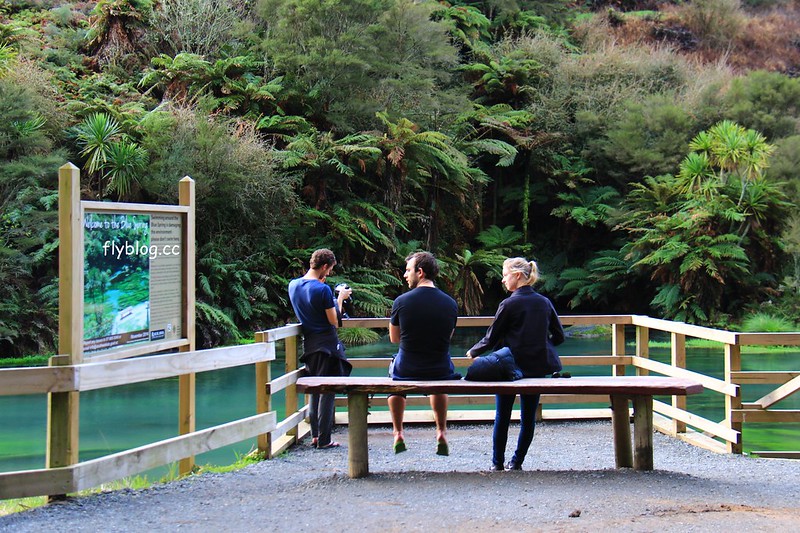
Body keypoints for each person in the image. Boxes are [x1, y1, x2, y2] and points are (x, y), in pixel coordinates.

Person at [466, 257, 565, 471]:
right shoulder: (544, 302)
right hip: (537, 369)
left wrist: (473, 351)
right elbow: (559, 336)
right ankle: (517, 462)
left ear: (517, 276)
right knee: (528, 418)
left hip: (509, 368)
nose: (503, 280)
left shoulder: (509, 303)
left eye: (505, 275)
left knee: (503, 416)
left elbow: (491, 338)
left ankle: (497, 464)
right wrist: (542, 344)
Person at [388, 251, 461, 456]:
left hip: (407, 368)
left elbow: (394, 339)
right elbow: (448, 336)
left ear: (420, 272)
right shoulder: (450, 303)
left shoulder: (401, 302)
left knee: (394, 382)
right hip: (440, 369)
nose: (405, 275)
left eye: (408, 270)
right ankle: (441, 432)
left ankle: (398, 432)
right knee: (439, 386)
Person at [288, 248, 353, 450]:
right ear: (325, 266)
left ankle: (316, 435)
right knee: (328, 390)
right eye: (330, 269)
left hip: (310, 343)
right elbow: (334, 320)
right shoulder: (323, 289)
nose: (330, 273)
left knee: (315, 389)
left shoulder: (294, 285)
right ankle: (324, 440)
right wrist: (340, 298)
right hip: (327, 343)